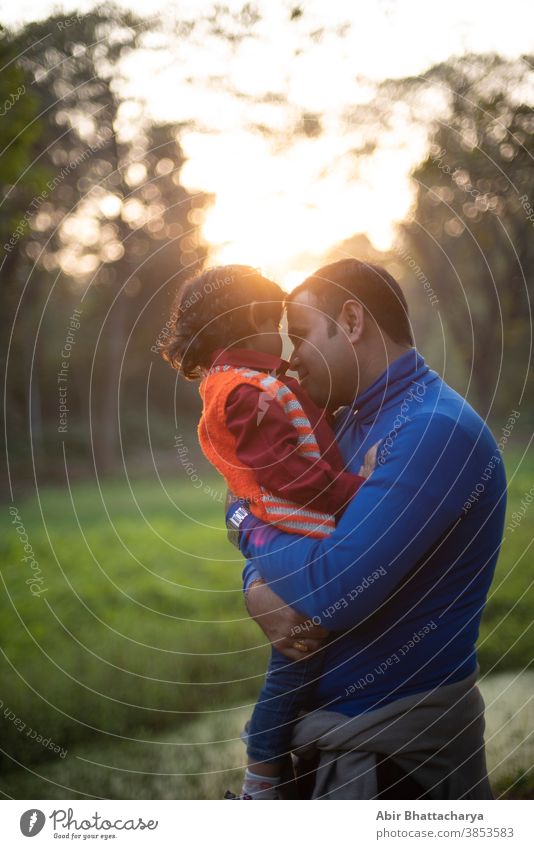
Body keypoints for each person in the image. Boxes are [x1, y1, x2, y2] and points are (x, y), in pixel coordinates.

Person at [226, 259, 507, 800]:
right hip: (331, 744)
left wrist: (252, 543)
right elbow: (248, 497)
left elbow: (337, 587)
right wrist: (255, 586)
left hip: (394, 763)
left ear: (351, 321)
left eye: (303, 335)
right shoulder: (340, 421)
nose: (291, 357)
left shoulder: (433, 431)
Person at [160, 264, 377, 799]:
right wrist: (358, 488)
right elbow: (289, 473)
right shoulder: (242, 391)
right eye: (286, 325)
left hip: (289, 536)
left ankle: (283, 760)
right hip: (296, 540)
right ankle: (262, 774)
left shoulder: (257, 382)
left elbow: (296, 434)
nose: (288, 341)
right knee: (293, 663)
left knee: (302, 657)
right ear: (257, 316)